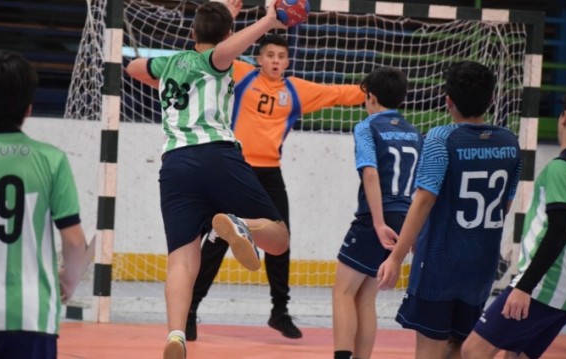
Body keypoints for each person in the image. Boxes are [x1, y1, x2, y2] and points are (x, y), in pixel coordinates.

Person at [124, 2, 292, 358]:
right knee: (278, 239)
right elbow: (227, 50)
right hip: (216, 155)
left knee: (182, 259)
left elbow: (133, 66)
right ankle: (236, 223)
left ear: (191, 34)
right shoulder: (217, 60)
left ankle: (175, 335)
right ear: (227, 36)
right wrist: (268, 19)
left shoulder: (172, 62)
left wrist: (171, 70)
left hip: (174, 165)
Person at [187, 33, 367, 341]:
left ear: (287, 61)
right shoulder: (242, 75)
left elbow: (337, 93)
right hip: (236, 168)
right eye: (269, 55)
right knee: (218, 238)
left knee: (280, 240)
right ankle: (189, 311)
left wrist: (370, 90)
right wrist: (225, 25)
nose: (275, 61)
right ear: (259, 58)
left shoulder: (295, 90)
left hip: (270, 174)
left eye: (281, 56)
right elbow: (211, 52)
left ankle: (279, 311)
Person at [0, 50, 94, 359]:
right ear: (28, 107)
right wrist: (68, 282)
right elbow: (75, 243)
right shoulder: (51, 160)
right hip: (33, 314)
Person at [376, 61, 522, 359]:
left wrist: (396, 256)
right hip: (481, 265)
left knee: (430, 349)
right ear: (491, 99)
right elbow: (505, 206)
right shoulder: (510, 142)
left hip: (440, 264)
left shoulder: (442, 139)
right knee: (459, 347)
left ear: (448, 101)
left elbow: (423, 201)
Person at [461, 86, 566, 359]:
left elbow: (559, 230)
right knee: (514, 356)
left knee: (473, 350)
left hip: (544, 285)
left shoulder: (563, 167)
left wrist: (524, 287)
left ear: (564, 117)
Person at [332, 67, 422, 359]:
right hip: (405, 219)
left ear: (370, 97)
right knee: (366, 296)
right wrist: (414, 230)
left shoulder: (368, 126)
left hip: (378, 219)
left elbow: (370, 174)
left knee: (343, 291)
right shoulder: (414, 132)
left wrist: (379, 221)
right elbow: (423, 186)